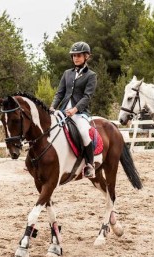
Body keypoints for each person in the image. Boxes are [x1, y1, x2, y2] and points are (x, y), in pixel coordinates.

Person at [50, 41, 97, 178]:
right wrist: (53, 106)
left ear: (86, 56)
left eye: (79, 55)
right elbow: (60, 93)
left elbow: (87, 97)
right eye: (74, 55)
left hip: (80, 113)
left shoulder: (91, 75)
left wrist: (75, 109)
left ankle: (90, 164)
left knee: (83, 132)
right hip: (63, 111)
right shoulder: (67, 73)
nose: (75, 58)